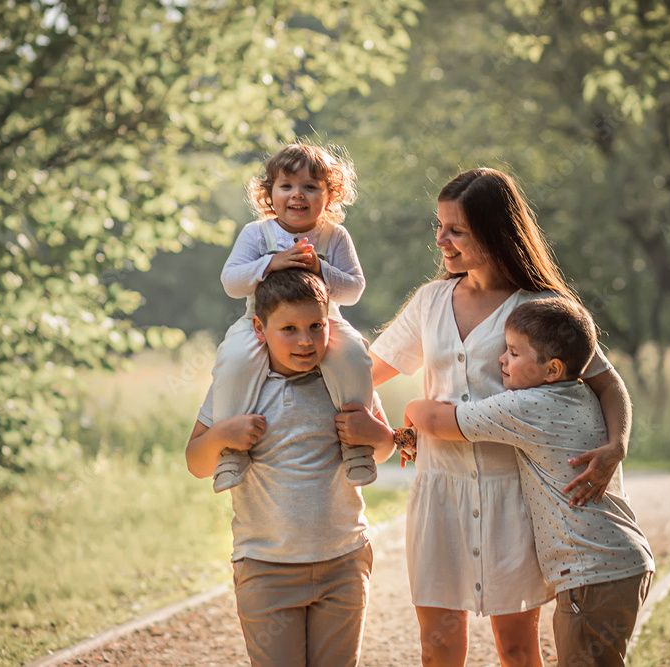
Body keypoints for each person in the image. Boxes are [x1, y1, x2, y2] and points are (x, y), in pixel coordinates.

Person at [334, 167, 633, 666]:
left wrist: (616, 446)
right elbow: (367, 370)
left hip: (512, 498)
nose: (441, 239)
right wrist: (303, 344)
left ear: (495, 233)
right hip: (439, 494)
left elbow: (608, 383)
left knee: (517, 648)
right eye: (440, 225)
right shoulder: (431, 301)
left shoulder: (541, 308)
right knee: (437, 646)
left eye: (456, 230)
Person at [404, 297, 655, 666]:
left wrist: (410, 410)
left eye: (513, 353)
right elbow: (610, 385)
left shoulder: (527, 406)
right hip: (623, 562)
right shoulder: (584, 394)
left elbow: (441, 422)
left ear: (552, 369)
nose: (501, 360)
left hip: (590, 574)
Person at [186, 269, 394, 667]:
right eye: (290, 329)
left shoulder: (344, 382)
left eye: (316, 326)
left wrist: (377, 433)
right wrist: (220, 436)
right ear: (259, 329)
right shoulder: (239, 391)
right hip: (266, 570)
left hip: (344, 563)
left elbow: (381, 452)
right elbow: (196, 463)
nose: (305, 340)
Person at [210, 142, 375, 492]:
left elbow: (354, 290)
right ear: (269, 194)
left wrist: (321, 268)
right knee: (234, 359)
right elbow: (231, 283)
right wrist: (271, 263)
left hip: (324, 322)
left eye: (311, 187)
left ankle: (356, 444)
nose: (297, 195)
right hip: (260, 322)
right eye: (286, 186)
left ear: (330, 196)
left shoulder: (335, 237)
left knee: (355, 355)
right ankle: (230, 449)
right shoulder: (257, 234)